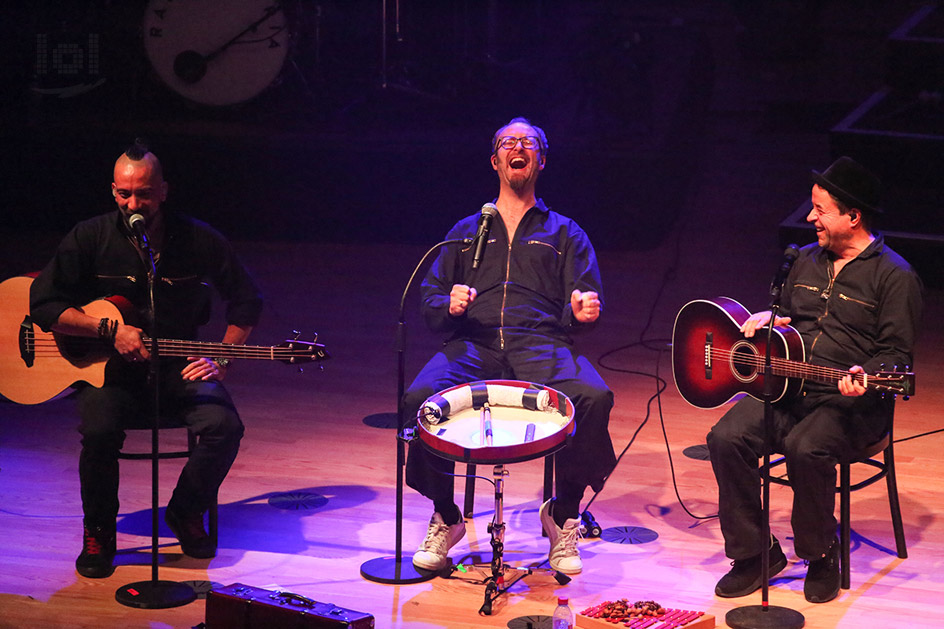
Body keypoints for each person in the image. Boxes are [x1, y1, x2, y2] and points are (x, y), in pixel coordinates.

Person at [29, 139, 263, 578]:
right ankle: (98, 529)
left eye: (144, 194)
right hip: (109, 375)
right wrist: (107, 330)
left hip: (177, 368)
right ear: (113, 191)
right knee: (98, 432)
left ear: (164, 191)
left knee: (225, 427)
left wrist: (224, 358)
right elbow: (43, 305)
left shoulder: (198, 239)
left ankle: (184, 511)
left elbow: (246, 300)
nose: (134, 203)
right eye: (124, 193)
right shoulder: (89, 236)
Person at [403, 117, 617, 575]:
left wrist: (579, 314)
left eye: (529, 142)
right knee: (420, 397)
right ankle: (446, 513)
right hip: (473, 346)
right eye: (508, 142)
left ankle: (563, 514)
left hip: (540, 343)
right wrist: (449, 305)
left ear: (541, 159)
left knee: (594, 395)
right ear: (495, 160)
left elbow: (583, 299)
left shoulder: (565, 232)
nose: (518, 147)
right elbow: (430, 302)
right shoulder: (465, 231)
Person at [706, 156, 923, 603]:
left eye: (821, 210)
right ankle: (755, 554)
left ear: (853, 217)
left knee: (808, 447)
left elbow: (896, 357)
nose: (810, 218)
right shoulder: (802, 260)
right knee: (725, 436)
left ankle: (820, 553)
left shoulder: (895, 276)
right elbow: (790, 319)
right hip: (790, 389)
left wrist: (867, 376)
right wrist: (773, 320)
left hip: (852, 403)